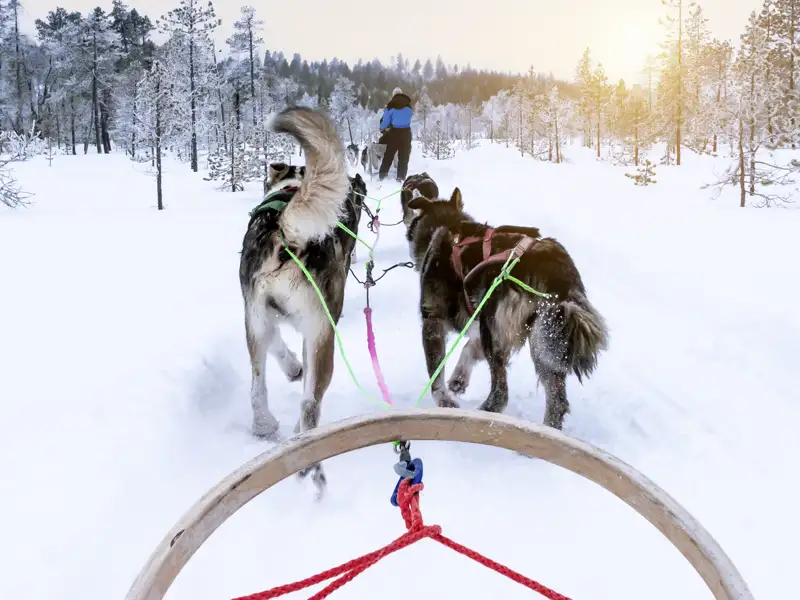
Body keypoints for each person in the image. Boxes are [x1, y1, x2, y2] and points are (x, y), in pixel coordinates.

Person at [378, 87, 413, 182]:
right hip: (406, 133)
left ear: (393, 95)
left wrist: (382, 128)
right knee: (404, 157)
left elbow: (385, 122)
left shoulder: (390, 106)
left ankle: (382, 176)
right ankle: (401, 178)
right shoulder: (409, 106)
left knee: (388, 155)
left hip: (394, 133)